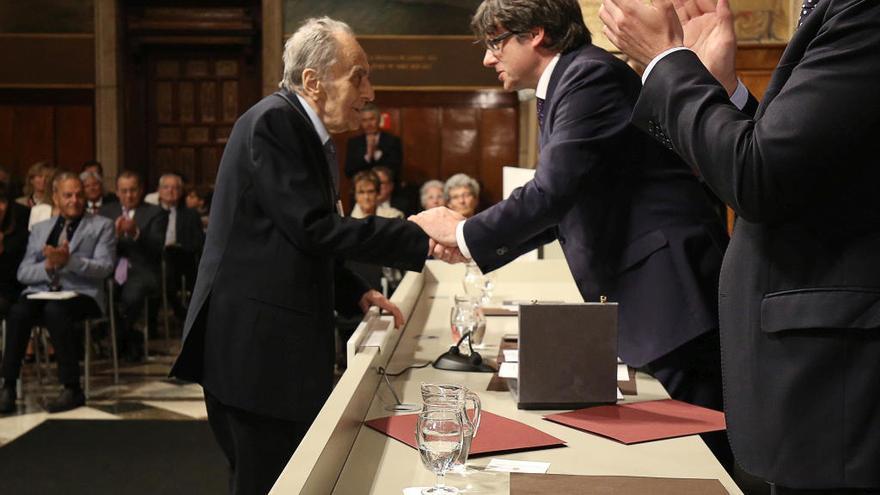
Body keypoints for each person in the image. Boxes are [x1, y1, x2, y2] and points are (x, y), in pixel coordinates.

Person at [599, 0, 880, 491]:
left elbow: (758, 177)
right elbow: (799, 169)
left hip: (838, 381)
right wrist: (721, 89)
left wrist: (666, 61)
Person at [413, 0, 728, 429]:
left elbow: (552, 192)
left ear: (536, 33)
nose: (488, 57)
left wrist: (465, 232)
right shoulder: (571, 79)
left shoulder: (587, 76)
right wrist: (472, 246)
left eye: (495, 42)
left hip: (671, 291)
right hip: (657, 293)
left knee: (701, 449)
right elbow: (567, 201)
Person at [169, 17, 437, 494]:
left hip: (270, 352)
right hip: (255, 358)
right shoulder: (275, 122)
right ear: (314, 82)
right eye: (359, 75)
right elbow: (313, 227)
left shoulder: (305, 132)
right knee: (266, 483)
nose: (370, 92)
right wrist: (416, 232)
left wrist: (357, 292)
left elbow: (295, 238)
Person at [0, 173, 116, 414]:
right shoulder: (41, 229)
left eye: (79, 194)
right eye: (68, 195)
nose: (74, 200)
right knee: (18, 311)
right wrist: (48, 266)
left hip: (82, 294)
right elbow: (23, 272)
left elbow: (105, 267)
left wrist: (70, 261)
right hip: (42, 292)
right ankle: (8, 386)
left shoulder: (101, 226)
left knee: (56, 311)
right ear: (55, 197)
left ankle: (72, 387)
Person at [99, 171, 167, 362]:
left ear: (141, 190)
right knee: (101, 292)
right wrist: (114, 235)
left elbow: (156, 247)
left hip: (142, 267)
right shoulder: (106, 211)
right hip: (111, 267)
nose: (129, 195)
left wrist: (136, 232)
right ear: (117, 192)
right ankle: (128, 338)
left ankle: (117, 338)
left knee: (131, 296)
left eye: (133, 190)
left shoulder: (156, 213)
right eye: (124, 191)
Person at [156, 173, 204, 319]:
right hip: (156, 258)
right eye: (166, 187)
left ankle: (183, 312)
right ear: (159, 190)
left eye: (175, 188)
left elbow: (198, 242)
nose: (171, 191)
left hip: (182, 257)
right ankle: (179, 312)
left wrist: (180, 246)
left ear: (181, 191)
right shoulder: (150, 212)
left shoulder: (190, 214)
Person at [344, 102, 402, 181]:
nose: (368, 124)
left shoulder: (392, 141)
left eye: (371, 119)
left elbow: (395, 170)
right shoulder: (354, 143)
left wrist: (376, 154)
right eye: (364, 120)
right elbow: (349, 171)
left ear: (378, 120)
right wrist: (368, 156)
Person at [0, 182, 29, 316]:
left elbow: (20, 277)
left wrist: (2, 252)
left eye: (2, 201)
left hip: (8, 292)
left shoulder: (19, 235)